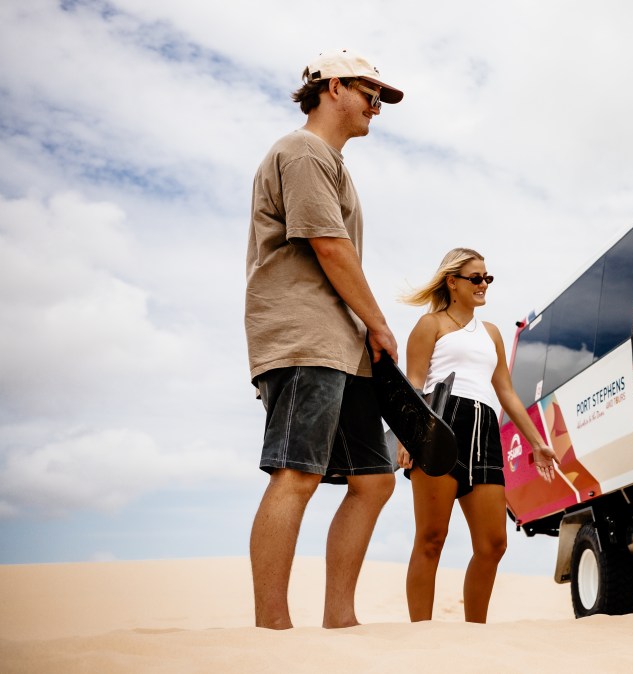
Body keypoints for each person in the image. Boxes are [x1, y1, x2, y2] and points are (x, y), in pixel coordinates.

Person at [244, 48, 405, 630]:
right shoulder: (302, 151)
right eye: (371, 93)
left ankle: (340, 619)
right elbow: (330, 248)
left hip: (345, 345)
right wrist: (381, 323)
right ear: (333, 86)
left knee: (375, 478)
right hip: (304, 337)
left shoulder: (331, 161)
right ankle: (273, 629)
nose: (377, 107)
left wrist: (366, 333)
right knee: (297, 471)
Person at [399, 247, 558, 623]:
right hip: (440, 426)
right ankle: (419, 636)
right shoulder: (430, 325)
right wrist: (408, 437)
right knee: (431, 538)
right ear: (452, 282)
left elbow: (505, 391)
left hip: (485, 430)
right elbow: (414, 384)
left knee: (493, 544)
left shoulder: (492, 333)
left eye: (487, 278)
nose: (483, 284)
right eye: (476, 278)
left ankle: (474, 635)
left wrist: (537, 443)